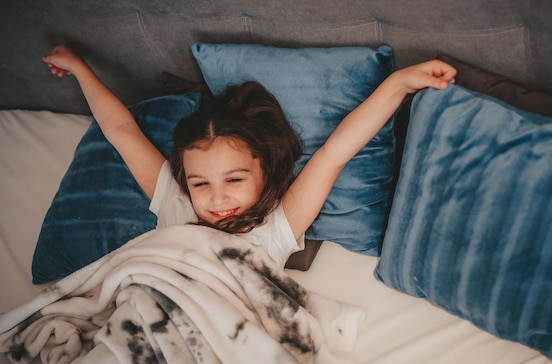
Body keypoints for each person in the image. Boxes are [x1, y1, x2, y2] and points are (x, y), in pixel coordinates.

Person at [42, 45, 456, 267]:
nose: (216, 199)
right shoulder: (176, 202)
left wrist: (399, 84)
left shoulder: (277, 226)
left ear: (265, 171)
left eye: (234, 179)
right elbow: (120, 131)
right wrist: (80, 68)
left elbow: (335, 153)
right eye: (200, 183)